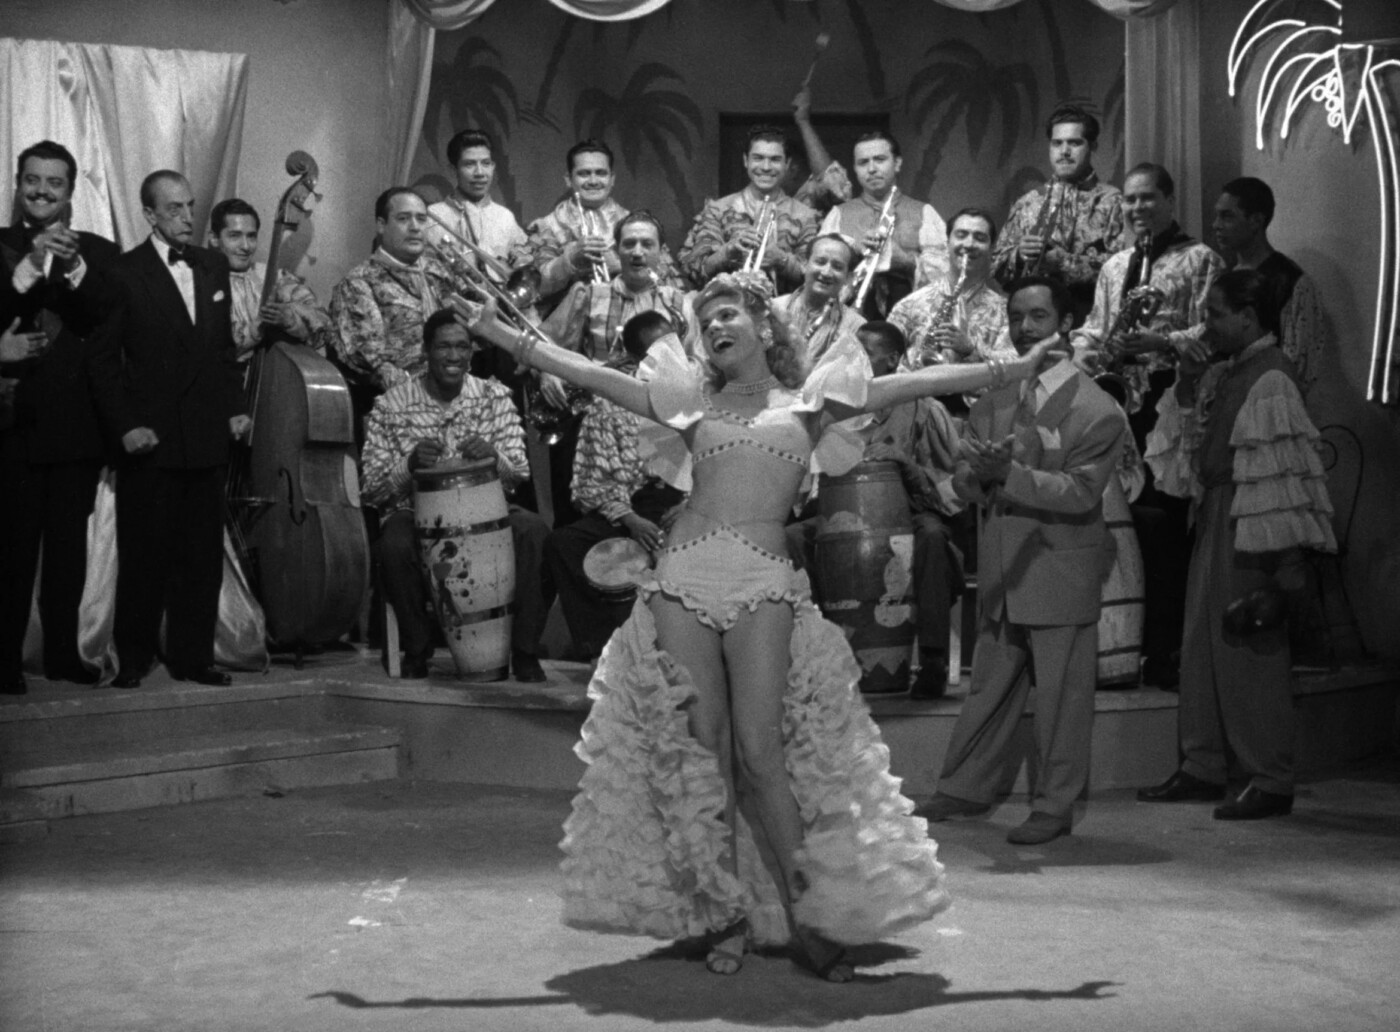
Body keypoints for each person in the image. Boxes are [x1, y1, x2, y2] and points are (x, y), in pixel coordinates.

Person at [458, 269, 1058, 980]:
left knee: (760, 752)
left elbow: (919, 381)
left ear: (763, 325)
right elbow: (588, 372)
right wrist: (502, 335)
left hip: (762, 581)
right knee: (705, 754)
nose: (714, 327)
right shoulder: (691, 401)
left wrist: (1013, 367)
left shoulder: (812, 401)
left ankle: (815, 918)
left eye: (728, 314)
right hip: (682, 577)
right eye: (706, 318)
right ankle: (726, 915)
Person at [918, 275, 1126, 845]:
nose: (1024, 328)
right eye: (1016, 316)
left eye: (1038, 316)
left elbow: (1081, 492)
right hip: (1002, 567)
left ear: (1065, 323)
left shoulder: (1097, 408)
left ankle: (1055, 806)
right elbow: (968, 477)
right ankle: (965, 787)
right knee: (988, 687)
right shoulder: (996, 398)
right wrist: (977, 476)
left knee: (1062, 701)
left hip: (1057, 567)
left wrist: (1005, 474)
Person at [1138, 269, 1334, 819]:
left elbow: (1282, 466)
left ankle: (1271, 776)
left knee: (1248, 646)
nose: (1206, 326)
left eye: (1215, 314)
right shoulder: (1230, 371)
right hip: (1218, 511)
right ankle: (1203, 765)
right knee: (1201, 646)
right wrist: (1188, 382)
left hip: (1252, 514)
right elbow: (1190, 454)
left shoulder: (1270, 376)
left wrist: (1285, 561)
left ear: (1248, 318)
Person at [87, 170, 249, 689]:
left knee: (201, 558)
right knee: (145, 555)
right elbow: (103, 361)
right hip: (150, 440)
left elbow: (223, 350)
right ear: (149, 214)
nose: (187, 217)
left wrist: (235, 407)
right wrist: (126, 427)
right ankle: (134, 658)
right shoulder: (124, 272)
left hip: (205, 435)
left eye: (190, 206)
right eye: (174, 208)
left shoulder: (212, 264)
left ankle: (193, 658)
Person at [1071, 162, 1225, 689]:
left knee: (1167, 531)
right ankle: (1122, 646)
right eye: (1130, 199)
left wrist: (1163, 342)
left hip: (1168, 402)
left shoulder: (1201, 259)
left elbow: (1217, 328)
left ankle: (1166, 651)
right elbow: (1095, 327)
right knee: (1127, 529)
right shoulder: (1115, 265)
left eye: (1148, 198)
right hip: (1118, 406)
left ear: (1170, 199)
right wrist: (1084, 352)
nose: (1137, 208)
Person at [360, 308, 552, 682]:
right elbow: (372, 489)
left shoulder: (493, 397)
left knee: (534, 532)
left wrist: (494, 457)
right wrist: (408, 464)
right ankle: (417, 649)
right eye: (444, 347)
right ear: (426, 350)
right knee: (394, 545)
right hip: (416, 512)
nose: (454, 356)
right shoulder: (392, 404)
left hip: (487, 511)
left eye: (462, 347)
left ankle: (525, 651)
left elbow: (519, 473)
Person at [786, 320, 966, 697]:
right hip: (842, 515)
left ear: (893, 360)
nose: (854, 361)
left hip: (907, 514)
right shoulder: (833, 409)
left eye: (866, 353)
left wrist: (902, 461)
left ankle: (932, 659)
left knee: (933, 536)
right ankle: (819, 652)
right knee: (793, 538)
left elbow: (952, 485)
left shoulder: (921, 408)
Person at [0, 140, 120, 693]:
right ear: (18, 184)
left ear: (71, 192)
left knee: (69, 554)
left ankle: (64, 656)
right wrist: (28, 265)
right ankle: (3, 662)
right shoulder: (0, 245)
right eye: (33, 180)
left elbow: (106, 318)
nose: (42, 191)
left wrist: (72, 267)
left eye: (54, 182)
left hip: (76, 429)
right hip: (14, 426)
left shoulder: (98, 250)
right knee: (11, 552)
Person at [535, 210, 696, 526]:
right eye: (629, 244)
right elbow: (546, 339)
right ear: (617, 250)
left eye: (647, 244)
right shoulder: (589, 293)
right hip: (593, 414)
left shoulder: (678, 302)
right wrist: (547, 370)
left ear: (661, 251)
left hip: (655, 417)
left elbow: (696, 363)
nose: (637, 252)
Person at [542, 310, 684, 661]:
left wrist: (690, 505)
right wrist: (630, 520)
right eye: (658, 351)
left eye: (674, 347)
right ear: (635, 359)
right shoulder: (608, 404)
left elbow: (716, 464)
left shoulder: (696, 394)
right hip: (631, 506)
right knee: (564, 544)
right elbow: (594, 480)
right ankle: (601, 648)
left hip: (685, 503)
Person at [992, 103, 1126, 323]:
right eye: (1057, 143)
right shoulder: (1028, 203)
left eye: (1074, 143)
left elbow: (1124, 271)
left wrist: (1064, 263)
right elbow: (995, 268)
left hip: (1092, 322)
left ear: (1093, 146)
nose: (1064, 151)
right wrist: (1019, 255)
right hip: (1033, 324)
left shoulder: (1113, 201)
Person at [518, 139, 685, 309]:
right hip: (567, 319)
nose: (593, 181)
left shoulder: (639, 226)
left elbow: (667, 284)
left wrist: (623, 266)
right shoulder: (547, 227)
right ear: (569, 179)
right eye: (584, 174)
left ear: (612, 179)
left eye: (601, 173)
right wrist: (569, 260)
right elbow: (531, 290)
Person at [331, 187, 458, 395]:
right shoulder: (358, 283)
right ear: (381, 225)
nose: (415, 227)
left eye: (421, 219)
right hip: (399, 400)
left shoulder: (439, 272)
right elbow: (371, 362)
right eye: (403, 219)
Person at [889, 208, 1016, 412]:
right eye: (961, 235)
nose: (969, 244)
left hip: (975, 417)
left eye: (980, 238)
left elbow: (1011, 373)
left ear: (992, 248)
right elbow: (887, 360)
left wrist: (972, 351)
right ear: (947, 242)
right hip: (913, 411)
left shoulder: (1005, 312)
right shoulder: (910, 304)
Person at [1210, 177, 1327, 396]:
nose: (1216, 225)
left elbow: (1298, 366)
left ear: (1255, 221)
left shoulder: (1291, 282)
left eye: (1227, 216)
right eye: (1217, 215)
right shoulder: (1226, 277)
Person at [819, 130, 948, 315]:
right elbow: (818, 274)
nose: (871, 169)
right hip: (850, 318)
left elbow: (947, 278)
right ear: (855, 169)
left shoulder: (924, 212)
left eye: (879, 159)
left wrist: (907, 262)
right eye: (863, 162)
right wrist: (854, 255)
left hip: (912, 316)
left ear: (897, 163)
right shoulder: (838, 214)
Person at [678, 126, 818, 293]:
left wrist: (782, 260)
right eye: (758, 158)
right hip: (726, 304)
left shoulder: (805, 217)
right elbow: (694, 271)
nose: (766, 167)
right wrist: (727, 252)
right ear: (746, 160)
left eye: (775, 160)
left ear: (787, 164)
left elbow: (817, 277)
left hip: (786, 307)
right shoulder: (717, 210)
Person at [206, 197, 329, 364]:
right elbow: (209, 346)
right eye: (234, 236)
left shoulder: (275, 277)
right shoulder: (201, 282)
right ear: (214, 238)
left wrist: (291, 320)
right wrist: (257, 328)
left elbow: (323, 323)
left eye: (251, 236)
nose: (246, 246)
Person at [425, 129, 526, 287]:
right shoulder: (432, 216)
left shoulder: (505, 216)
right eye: (469, 164)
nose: (480, 173)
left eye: (486, 163)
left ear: (493, 167)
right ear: (453, 170)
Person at [771, 233, 866, 372]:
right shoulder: (773, 308)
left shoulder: (855, 327)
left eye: (837, 267)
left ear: (848, 277)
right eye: (820, 262)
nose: (826, 272)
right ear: (804, 264)